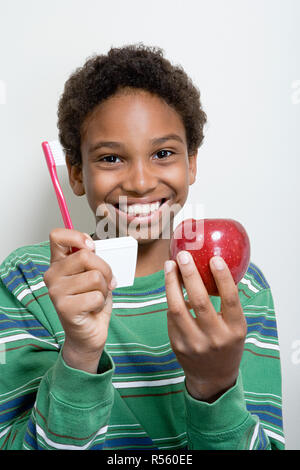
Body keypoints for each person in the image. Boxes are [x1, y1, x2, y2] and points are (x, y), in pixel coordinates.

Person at [0, 43, 284, 450]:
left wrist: (215, 386)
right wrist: (79, 355)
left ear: (192, 164)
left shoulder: (238, 285)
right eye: (111, 159)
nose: (139, 182)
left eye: (164, 153)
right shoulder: (28, 281)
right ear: (76, 174)